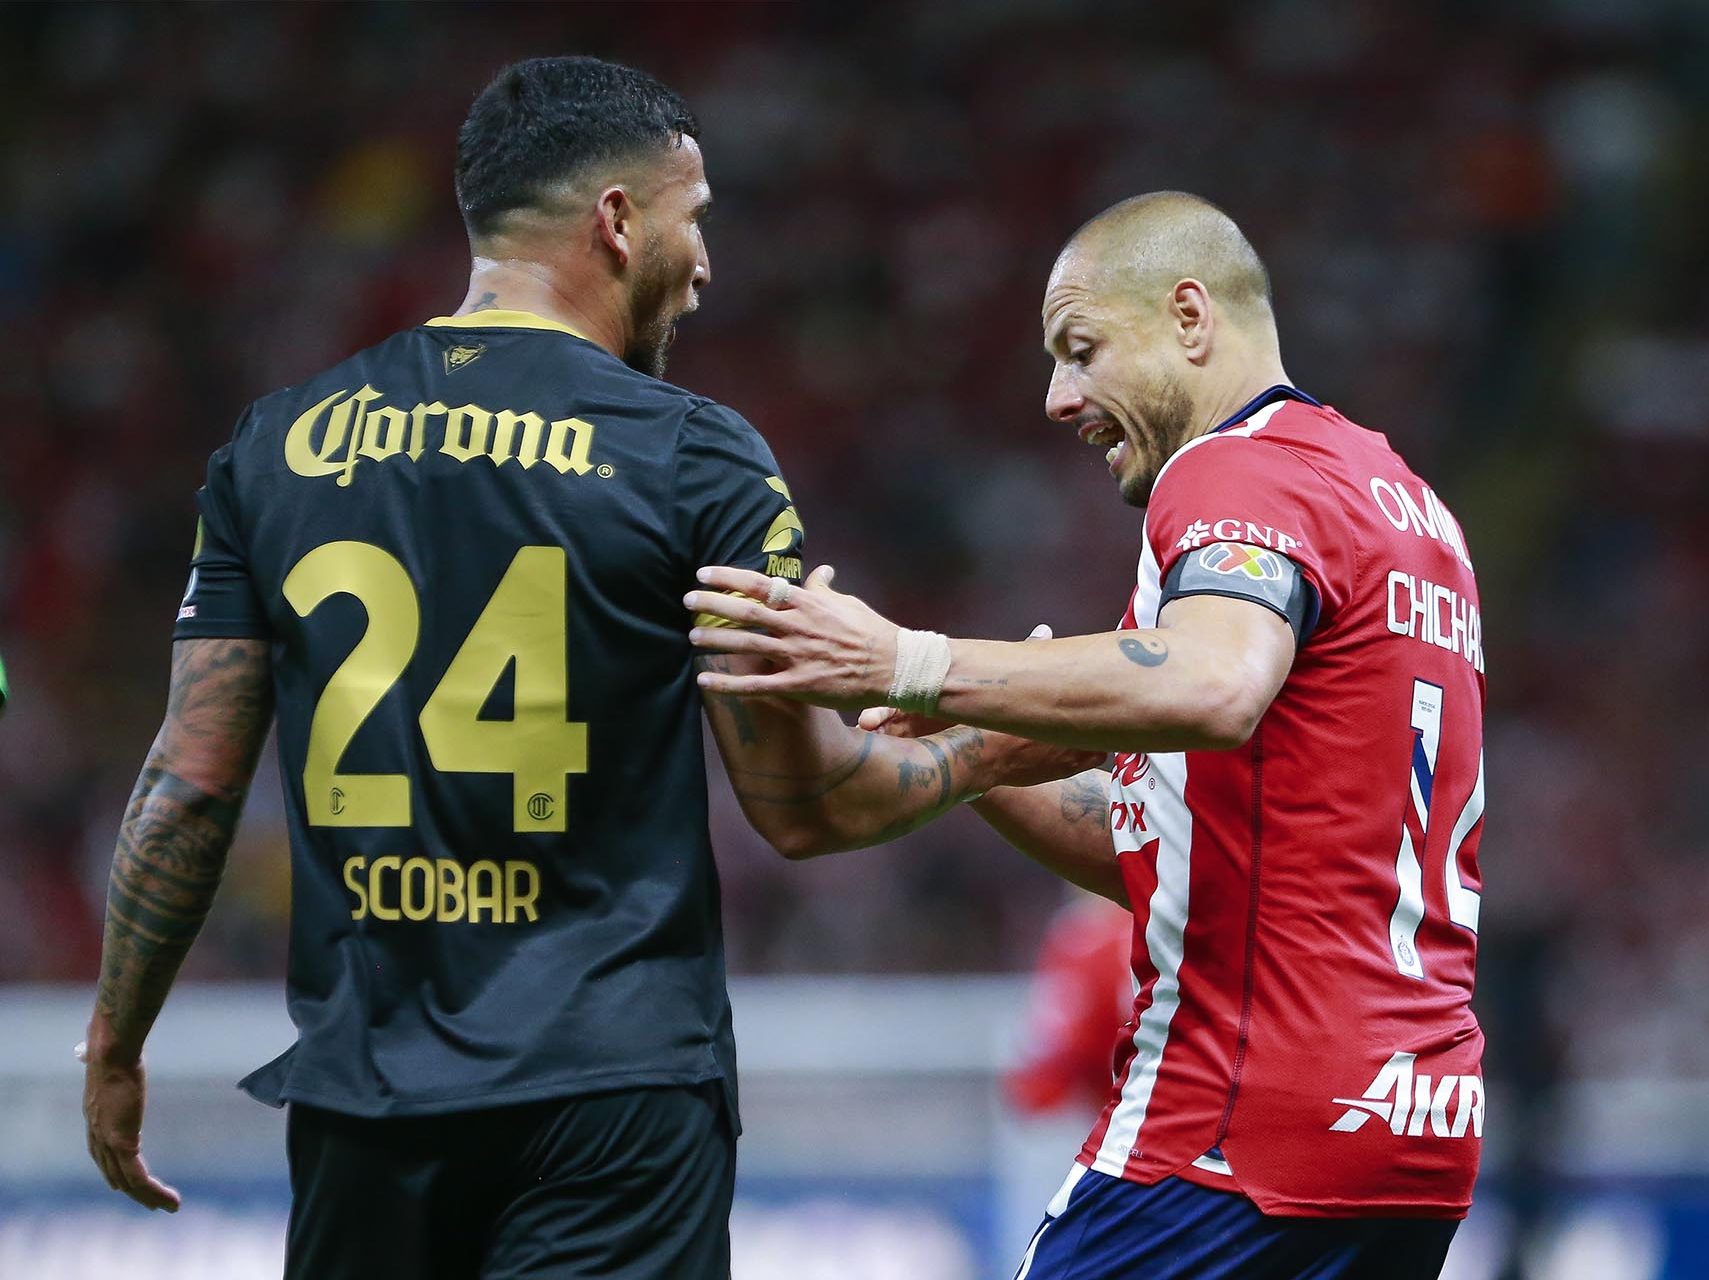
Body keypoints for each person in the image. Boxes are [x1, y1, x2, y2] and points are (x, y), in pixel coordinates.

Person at [80, 56, 1089, 1280]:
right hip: (612, 1100)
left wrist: (118, 1039)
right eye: (694, 219)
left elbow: (186, 785)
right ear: (617, 222)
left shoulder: (275, 445)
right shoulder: (695, 458)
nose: (706, 265)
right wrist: (993, 747)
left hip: (364, 1105)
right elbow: (807, 806)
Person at [687, 191, 1487, 1279]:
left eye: (1081, 350)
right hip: (1410, 1133)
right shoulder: (1406, 504)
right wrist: (976, 733)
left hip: (1238, 1129)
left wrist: (909, 658)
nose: (1059, 398)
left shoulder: (1235, 467)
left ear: (1190, 317)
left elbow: (1213, 683)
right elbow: (1189, 857)